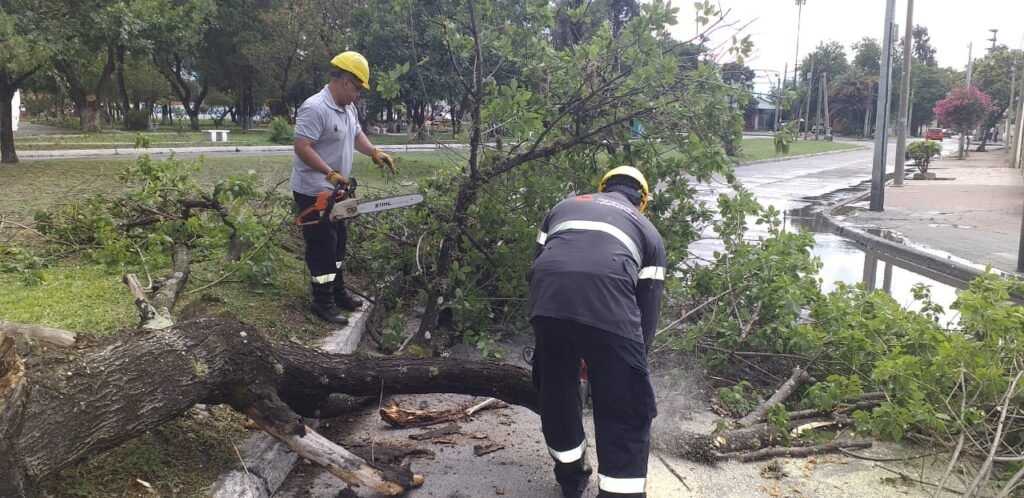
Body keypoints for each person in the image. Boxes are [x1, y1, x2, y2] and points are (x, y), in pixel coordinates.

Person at [528, 166, 667, 498]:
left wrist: (564, 337)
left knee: (556, 391)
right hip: (609, 310)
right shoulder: (648, 232)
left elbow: (539, 266)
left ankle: (571, 480)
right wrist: (629, 366)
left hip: (547, 303)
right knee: (625, 408)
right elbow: (646, 315)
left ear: (603, 188)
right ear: (642, 200)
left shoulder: (563, 207)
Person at [292, 51, 396, 325]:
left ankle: (337, 292)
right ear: (347, 81)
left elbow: (356, 135)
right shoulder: (315, 107)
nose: (359, 94)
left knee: (338, 245)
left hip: (337, 191)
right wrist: (329, 172)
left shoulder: (347, 108)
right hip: (314, 191)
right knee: (322, 247)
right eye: (359, 87)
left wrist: (374, 151)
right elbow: (302, 147)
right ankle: (321, 301)